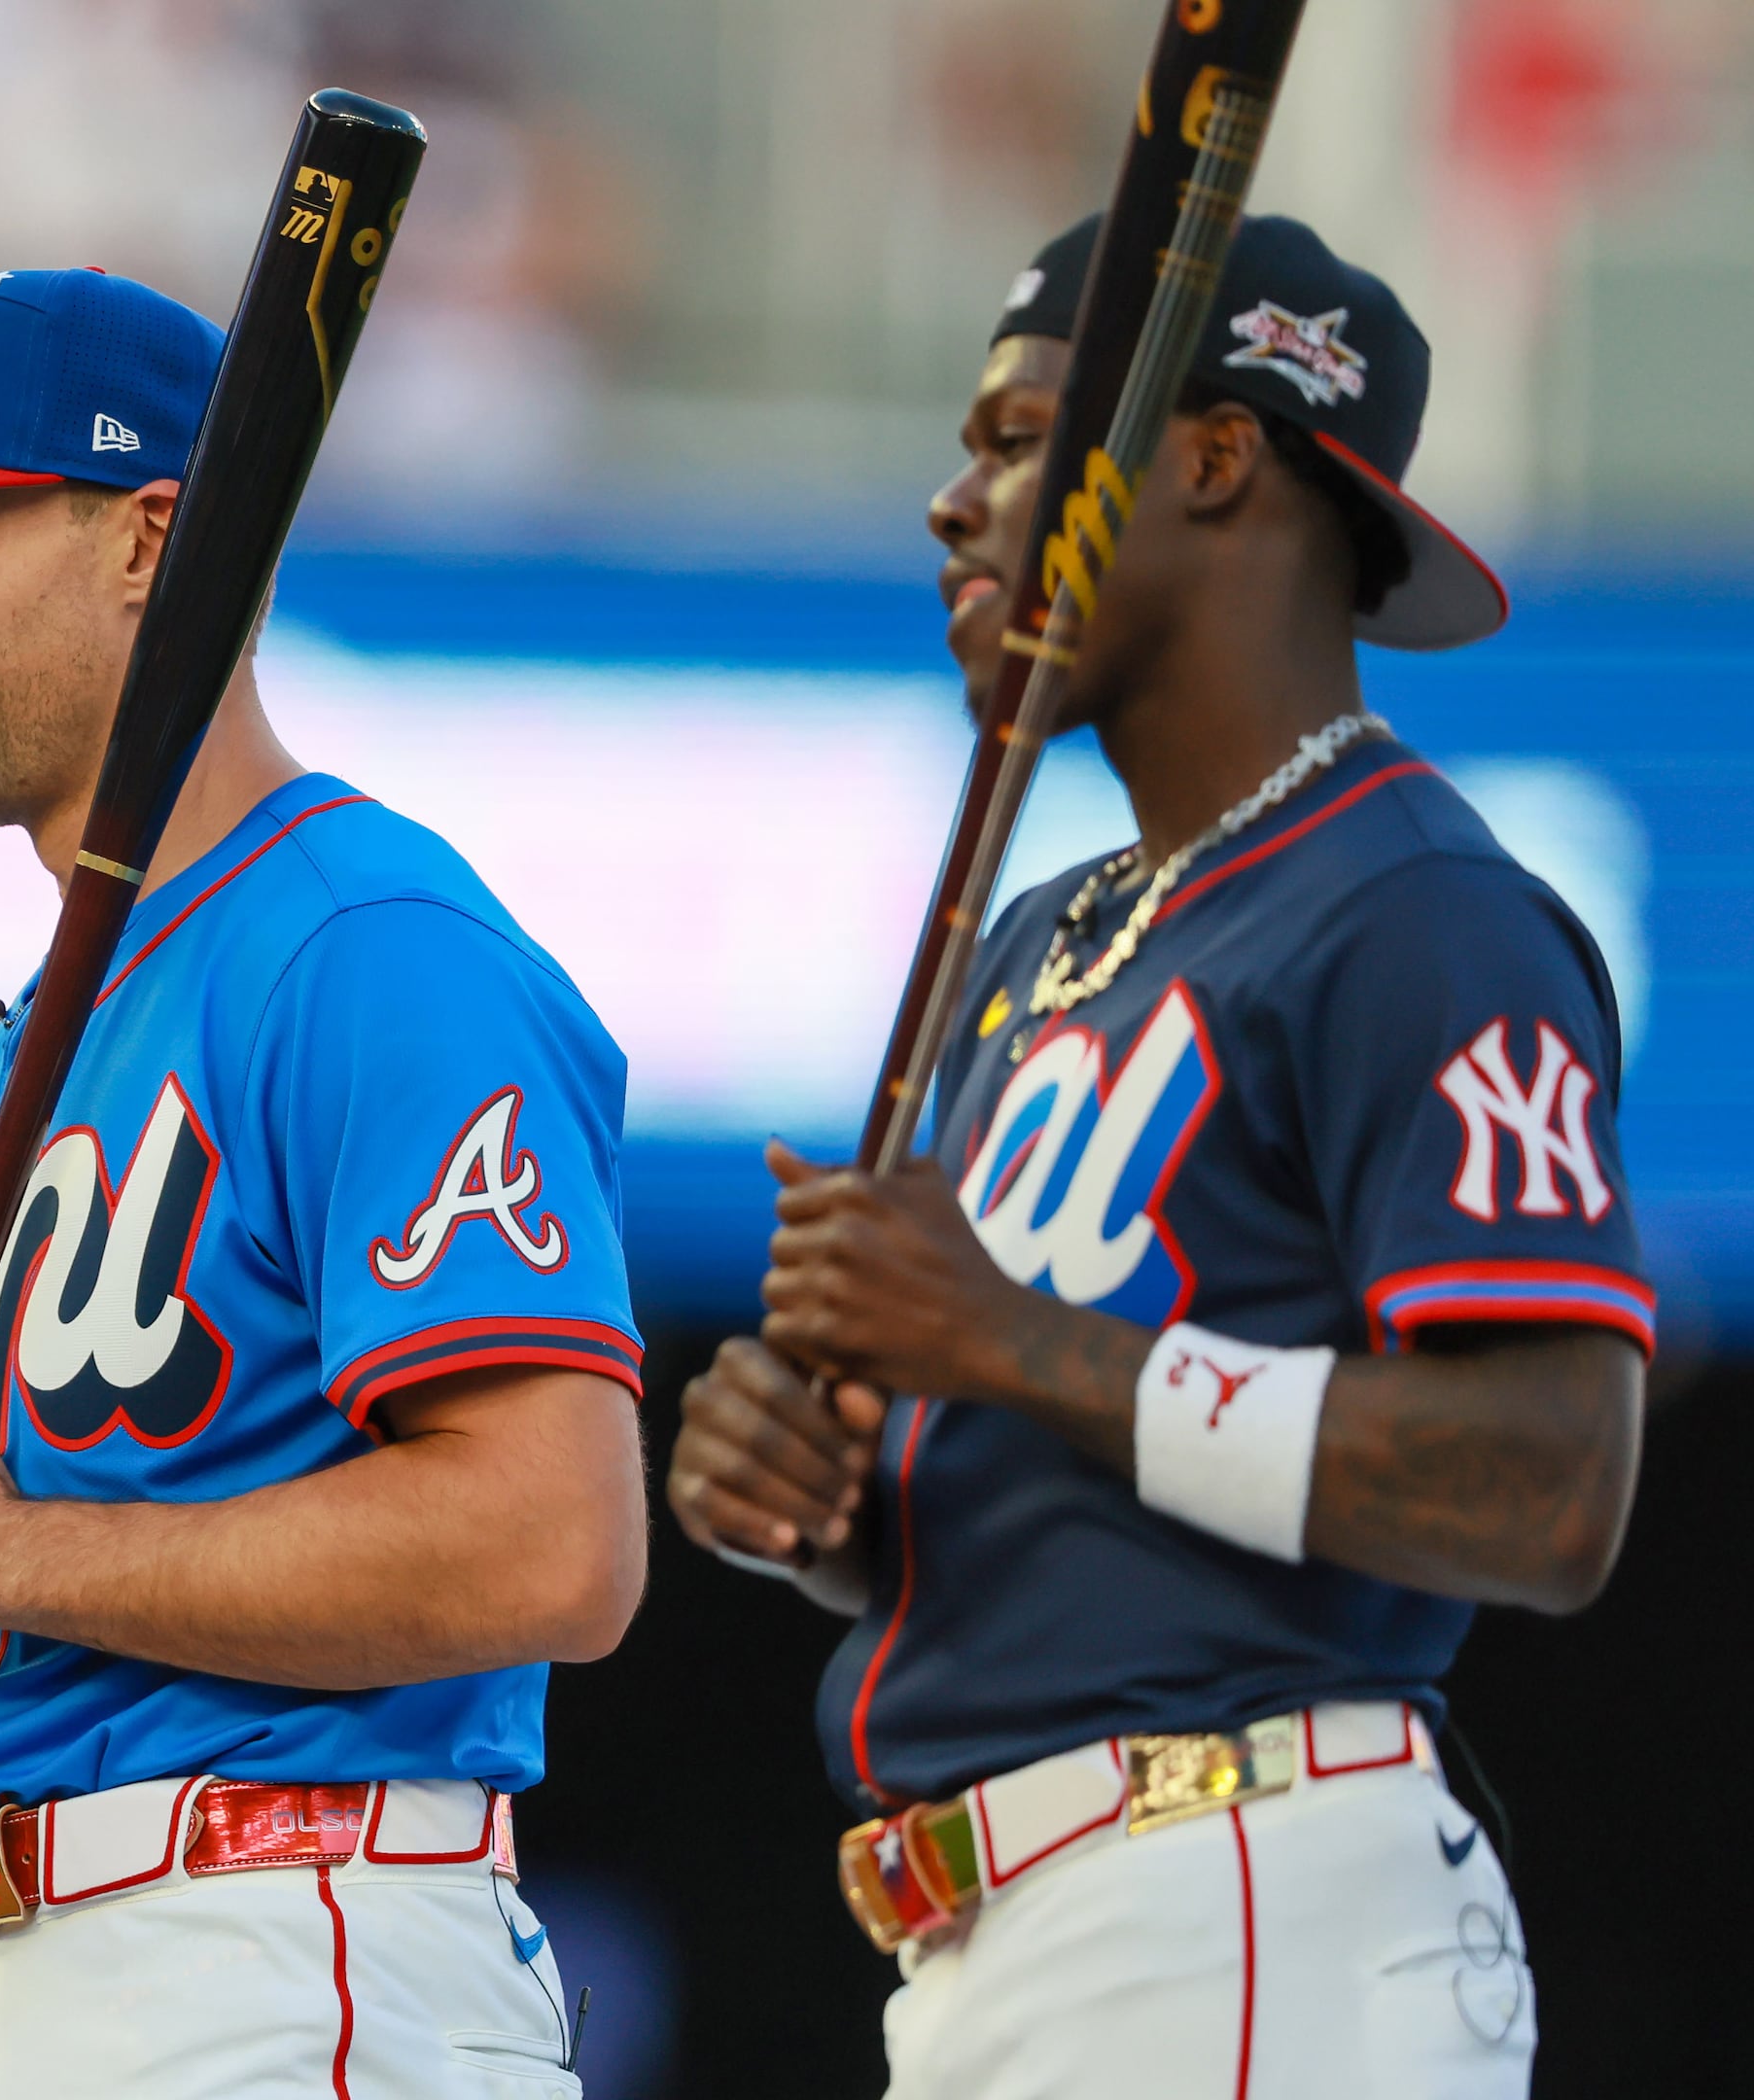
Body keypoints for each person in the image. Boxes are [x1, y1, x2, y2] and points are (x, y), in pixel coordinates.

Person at [663, 215, 1651, 2098]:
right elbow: (1063, 1514)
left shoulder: (1418, 906)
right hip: (1026, 1924)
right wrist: (818, 1503)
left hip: (1245, 1886)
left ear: (1212, 458)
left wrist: (1002, 1341)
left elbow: (1550, 1491)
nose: (958, 505)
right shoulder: (1045, 937)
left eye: (1021, 438)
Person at [0, 267, 649, 2096]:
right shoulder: (16, 1059)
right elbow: (66, 1589)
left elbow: (553, 1541)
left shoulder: (369, 946)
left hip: (285, 1949)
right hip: (19, 1967)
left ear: (152, 539)